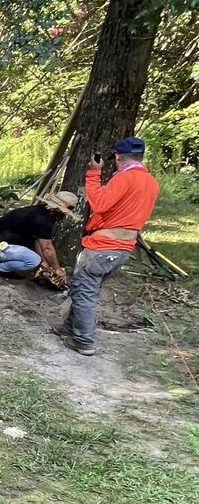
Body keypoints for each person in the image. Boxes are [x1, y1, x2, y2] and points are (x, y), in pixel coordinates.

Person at [56, 135, 160, 357]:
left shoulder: (124, 178)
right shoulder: (151, 183)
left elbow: (100, 204)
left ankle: (84, 341)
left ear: (118, 156)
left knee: (84, 292)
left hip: (103, 245)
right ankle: (69, 329)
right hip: (123, 248)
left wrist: (93, 174)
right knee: (86, 289)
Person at [0, 190, 77, 286]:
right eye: (64, 214)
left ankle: (7, 270)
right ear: (58, 211)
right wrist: (57, 269)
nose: (63, 217)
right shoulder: (43, 220)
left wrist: (44, 262)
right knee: (33, 260)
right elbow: (47, 248)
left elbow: (36, 240)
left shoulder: (38, 212)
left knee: (36, 260)